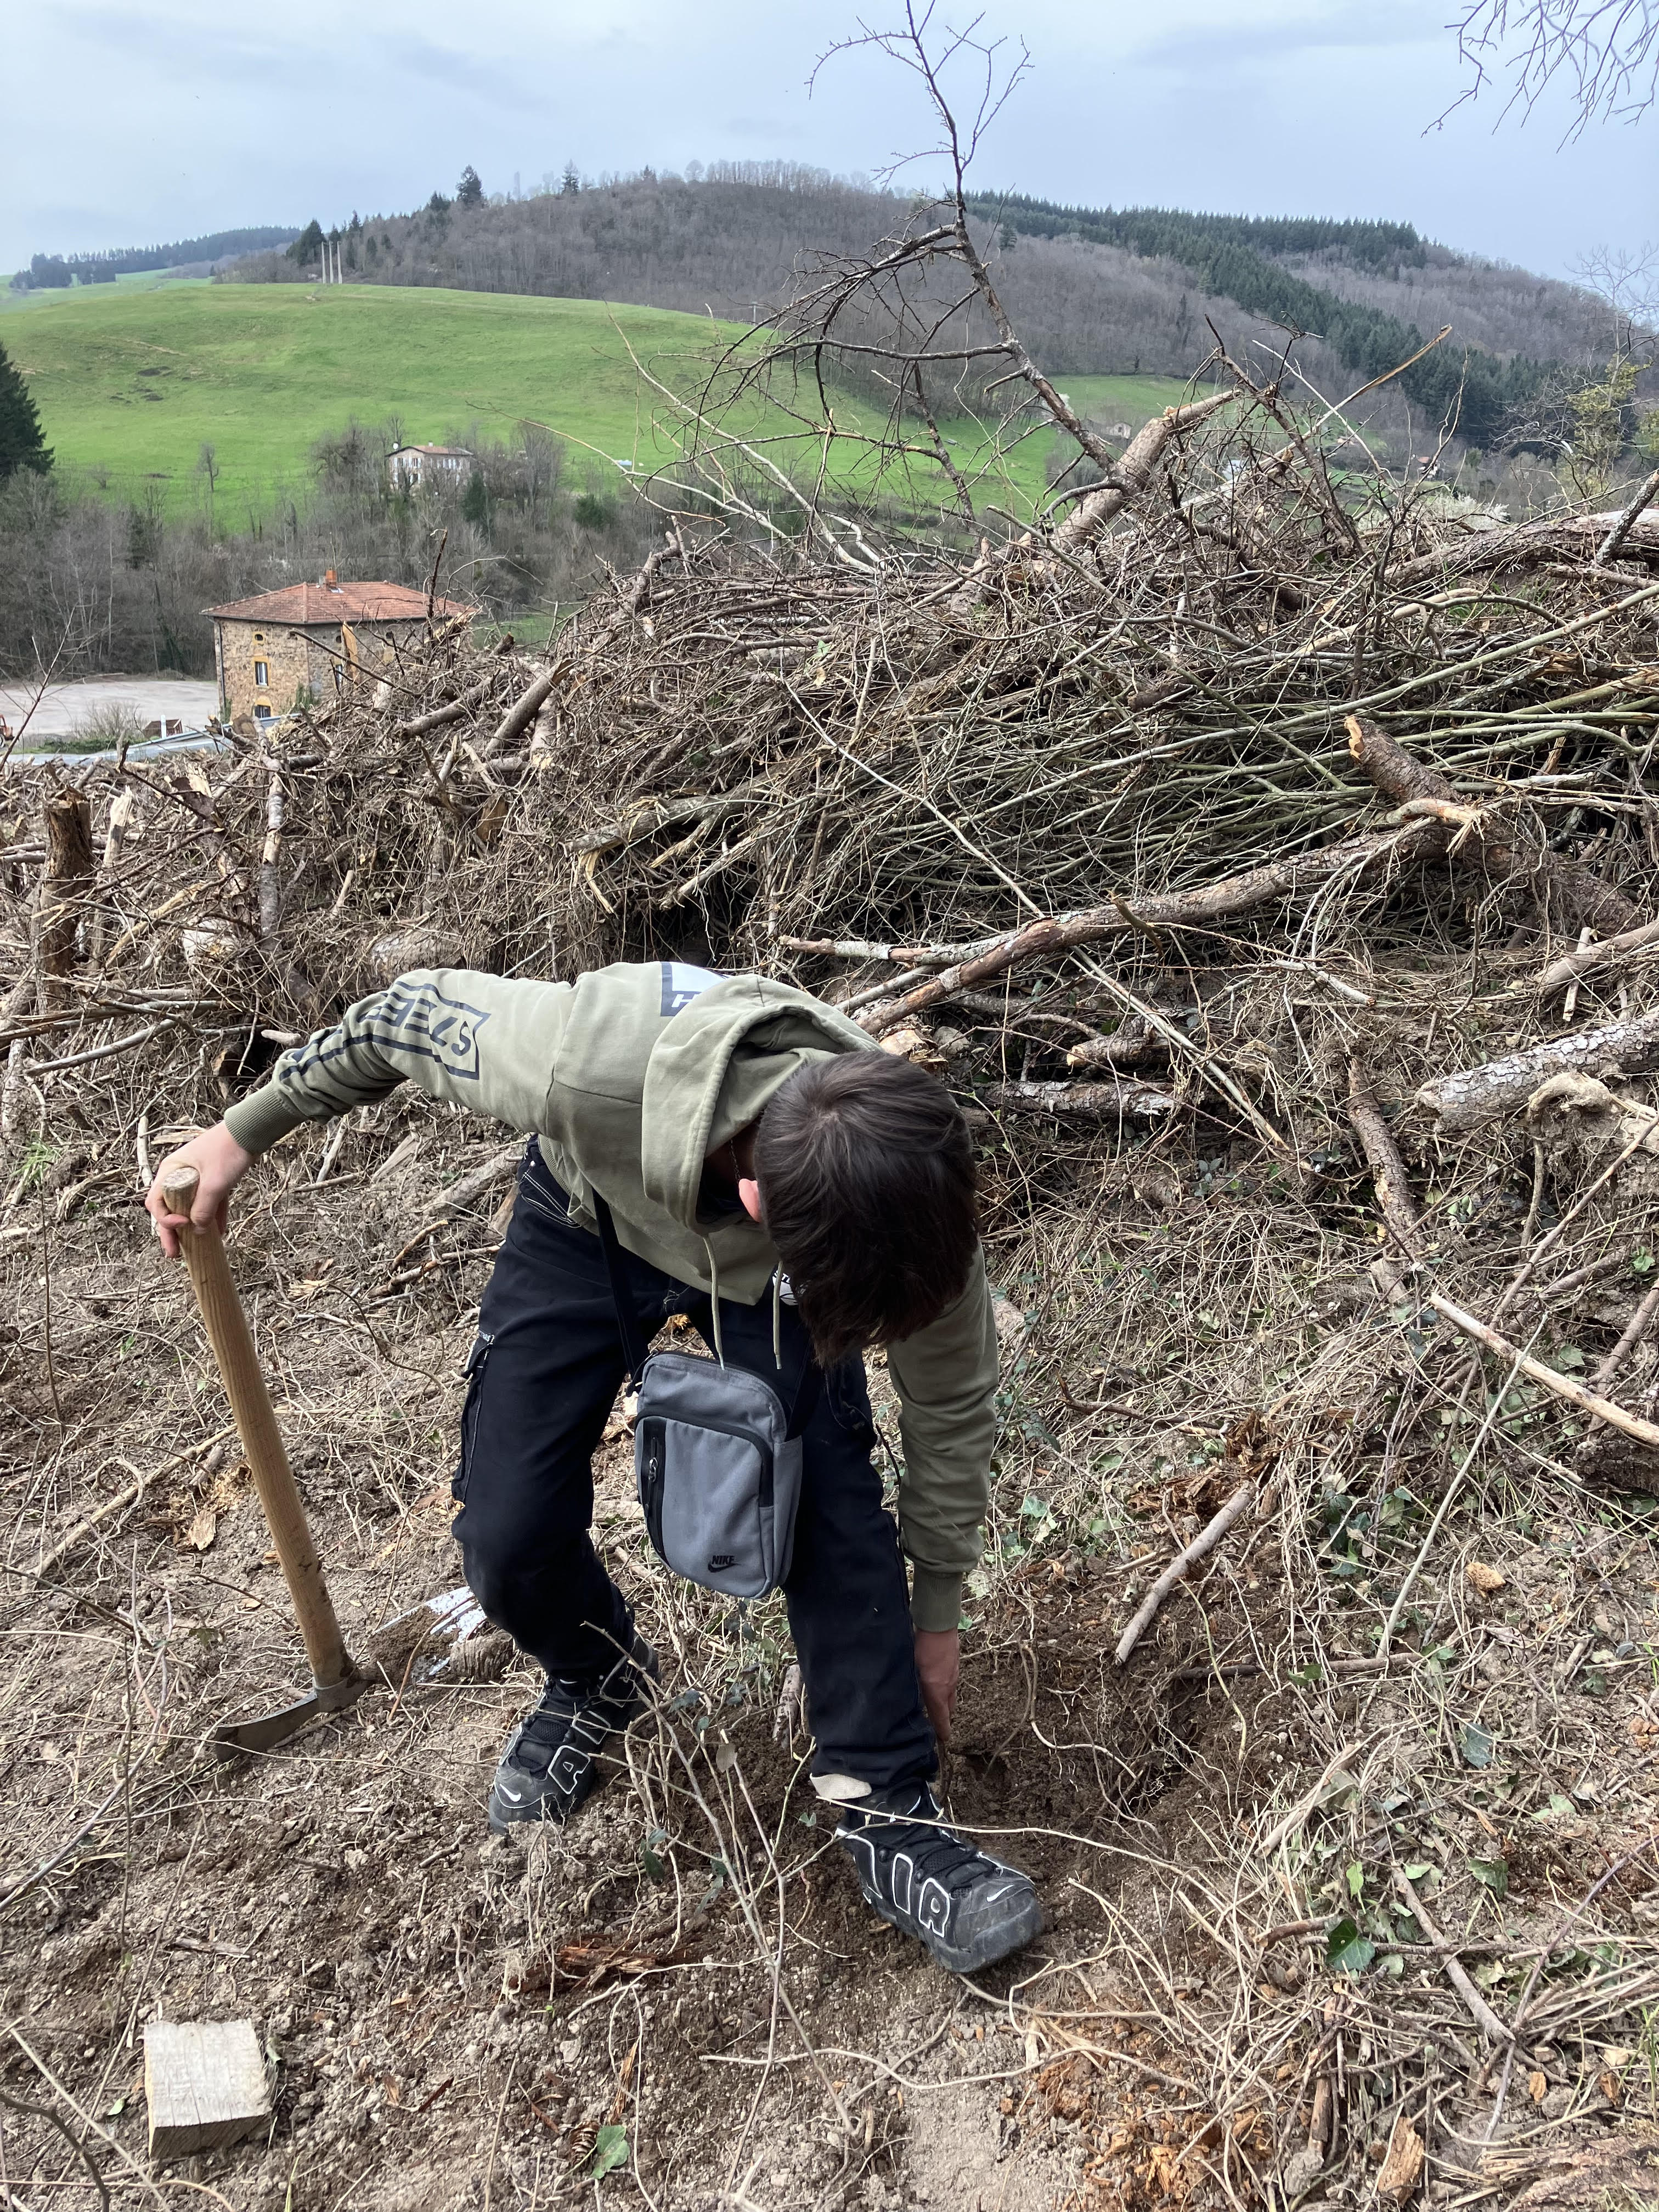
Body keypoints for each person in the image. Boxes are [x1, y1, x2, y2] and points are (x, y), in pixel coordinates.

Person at [146, 960, 1042, 1975]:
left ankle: (888, 1810)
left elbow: (951, 1408)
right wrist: (240, 1132)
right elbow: (410, 1017)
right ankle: (598, 1680)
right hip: (591, 1213)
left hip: (771, 1270)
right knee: (507, 1531)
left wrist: (936, 1621)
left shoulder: (903, 1186)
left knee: (829, 1494)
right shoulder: (586, 1063)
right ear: (755, 1198)